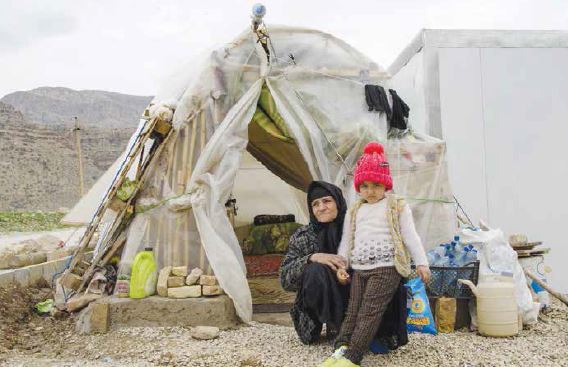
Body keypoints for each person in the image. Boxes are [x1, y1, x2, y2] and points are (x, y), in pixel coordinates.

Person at [319, 142, 431, 367]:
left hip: (386, 267)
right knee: (353, 310)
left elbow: (410, 236)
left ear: (386, 184)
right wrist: (342, 266)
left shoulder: (396, 206)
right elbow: (347, 242)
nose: (370, 191)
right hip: (360, 269)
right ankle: (341, 347)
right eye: (365, 186)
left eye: (377, 185)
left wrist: (422, 263)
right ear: (359, 187)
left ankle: (353, 357)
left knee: (369, 312)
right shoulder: (355, 210)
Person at [280, 181, 349, 344]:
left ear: (338, 202)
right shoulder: (304, 235)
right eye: (315, 204)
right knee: (315, 271)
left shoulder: (355, 229)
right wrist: (311, 257)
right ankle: (330, 324)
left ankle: (355, 325)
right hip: (318, 297)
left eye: (327, 201)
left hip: (354, 292)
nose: (321, 207)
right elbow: (285, 280)